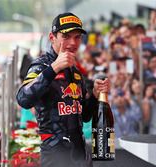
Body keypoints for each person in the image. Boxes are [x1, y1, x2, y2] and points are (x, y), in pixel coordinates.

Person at [16, 12, 110, 167]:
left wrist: (94, 94)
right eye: (66, 36)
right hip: (55, 153)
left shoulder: (76, 72)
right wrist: (53, 69)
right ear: (52, 37)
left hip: (80, 153)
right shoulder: (41, 66)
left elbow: (85, 116)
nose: (73, 42)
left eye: (77, 37)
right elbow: (23, 99)